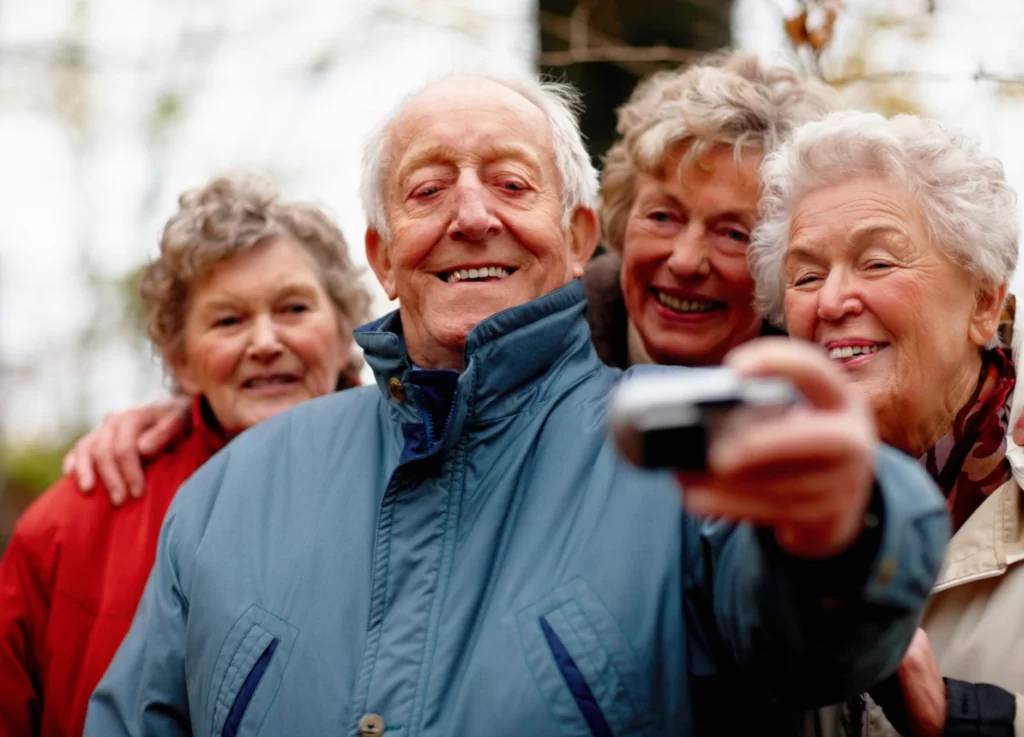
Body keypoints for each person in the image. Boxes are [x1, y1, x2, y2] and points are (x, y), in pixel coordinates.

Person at [84, 74, 946, 737]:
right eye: (427, 189)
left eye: (510, 183)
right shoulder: (229, 493)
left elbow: (810, 636)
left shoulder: (691, 449)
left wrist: (850, 533)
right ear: (382, 257)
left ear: (578, 240)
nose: (470, 214)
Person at [0, 173, 371, 737]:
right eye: (229, 320)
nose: (266, 341)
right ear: (180, 361)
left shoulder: (422, 479)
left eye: (293, 308)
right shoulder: (71, 527)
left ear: (346, 331)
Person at [750, 110, 1024, 736]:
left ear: (984, 301)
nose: (831, 300)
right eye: (806, 275)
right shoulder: (757, 506)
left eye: (877, 263)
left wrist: (959, 719)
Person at [585, 51, 836, 370]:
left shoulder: (831, 369)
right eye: (662, 217)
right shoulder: (546, 346)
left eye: (734, 234)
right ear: (623, 216)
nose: (686, 262)